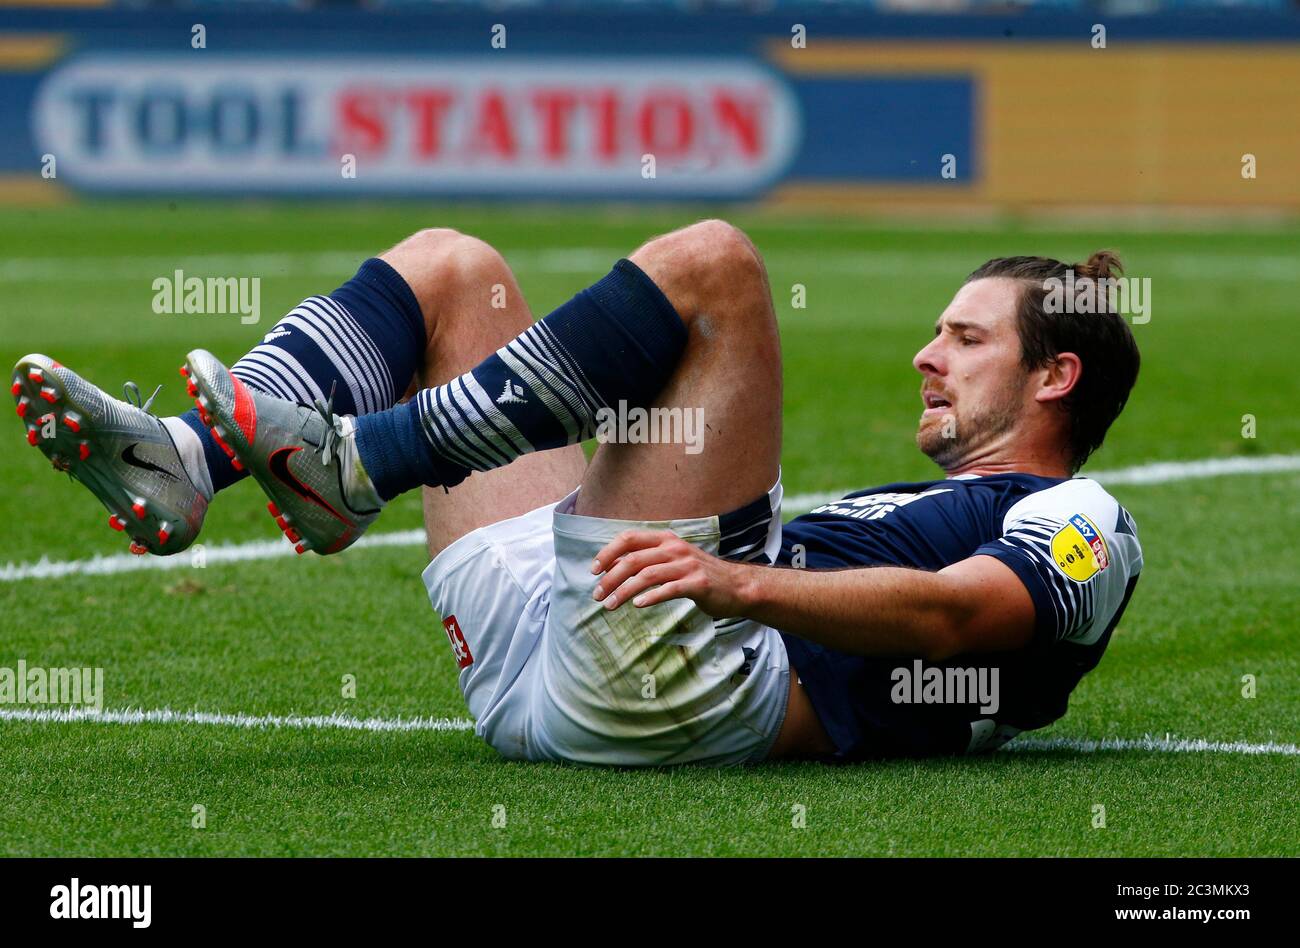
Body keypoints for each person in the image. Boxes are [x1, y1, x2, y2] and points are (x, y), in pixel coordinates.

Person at [12, 220, 1142, 764]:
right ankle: (187, 461)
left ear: (1055, 377)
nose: (924, 356)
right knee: (455, 270)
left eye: (963, 337)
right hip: (578, 641)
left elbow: (958, 619)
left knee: (716, 271)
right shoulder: (932, 495)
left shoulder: (1087, 521)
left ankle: (356, 468)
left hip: (684, 686)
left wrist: (739, 585)